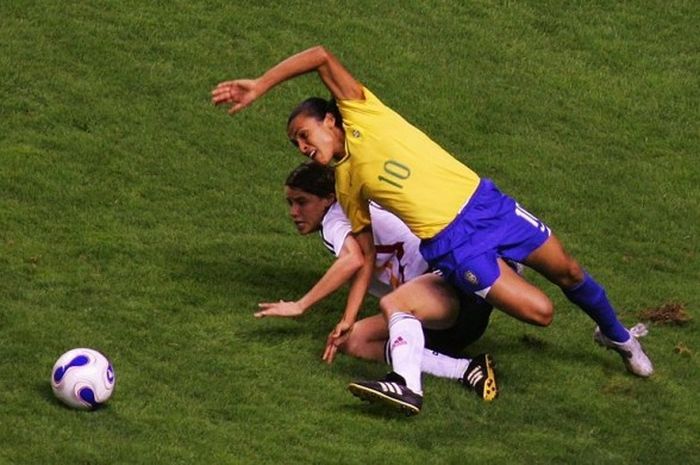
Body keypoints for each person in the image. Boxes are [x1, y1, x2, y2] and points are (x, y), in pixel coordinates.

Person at [212, 45, 653, 415]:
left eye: (305, 134)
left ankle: (616, 336)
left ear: (331, 120)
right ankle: (459, 332)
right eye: (296, 145)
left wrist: (260, 84)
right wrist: (345, 318)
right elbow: (361, 259)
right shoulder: (346, 187)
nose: (304, 147)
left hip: (487, 204)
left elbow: (320, 55)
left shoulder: (364, 111)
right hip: (455, 247)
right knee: (541, 313)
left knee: (569, 272)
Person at [254, 162, 498, 412]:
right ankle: (466, 369)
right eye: (290, 203)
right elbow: (364, 264)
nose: (294, 212)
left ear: (328, 198)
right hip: (462, 302)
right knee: (353, 340)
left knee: (392, 307)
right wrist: (348, 319)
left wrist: (300, 305)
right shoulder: (359, 205)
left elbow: (353, 260)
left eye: (302, 202)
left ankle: (407, 386)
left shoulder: (334, 218)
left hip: (450, 297)